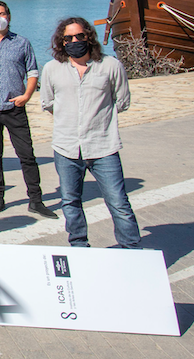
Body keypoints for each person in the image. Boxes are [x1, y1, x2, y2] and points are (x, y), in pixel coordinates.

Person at [40, 18, 139, 248]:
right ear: (61, 42)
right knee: (70, 203)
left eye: (79, 36)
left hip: (103, 146)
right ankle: (79, 248)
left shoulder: (110, 66)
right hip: (66, 148)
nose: (75, 41)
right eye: (68, 38)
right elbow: (48, 102)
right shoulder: (52, 69)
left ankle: (132, 251)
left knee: (118, 203)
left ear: (89, 37)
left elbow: (122, 101)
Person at [0, 0, 56, 218]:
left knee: (27, 154)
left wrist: (27, 95)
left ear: (9, 16)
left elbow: (33, 71)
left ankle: (35, 199)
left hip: (14, 106)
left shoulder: (21, 43)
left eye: (2, 13)